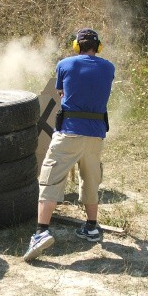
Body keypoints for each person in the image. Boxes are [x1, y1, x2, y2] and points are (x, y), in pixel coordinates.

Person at [23, 28, 115, 262]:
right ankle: (92, 227)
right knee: (91, 179)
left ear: (77, 46)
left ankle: (41, 232)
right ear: (99, 46)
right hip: (96, 135)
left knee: (50, 178)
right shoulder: (108, 67)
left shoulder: (65, 64)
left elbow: (61, 93)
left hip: (70, 132)